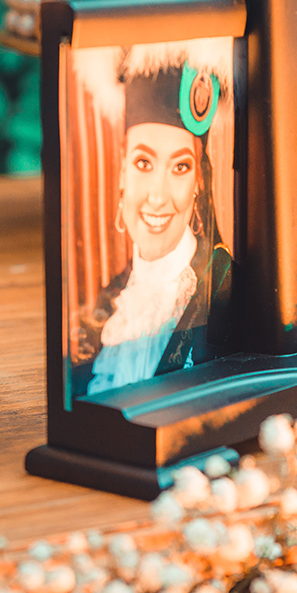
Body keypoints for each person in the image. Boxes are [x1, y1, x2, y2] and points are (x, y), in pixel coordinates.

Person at [79, 56, 231, 396]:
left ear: (198, 183)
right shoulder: (107, 303)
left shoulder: (226, 292)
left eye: (180, 167)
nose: (158, 197)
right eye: (143, 163)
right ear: (122, 173)